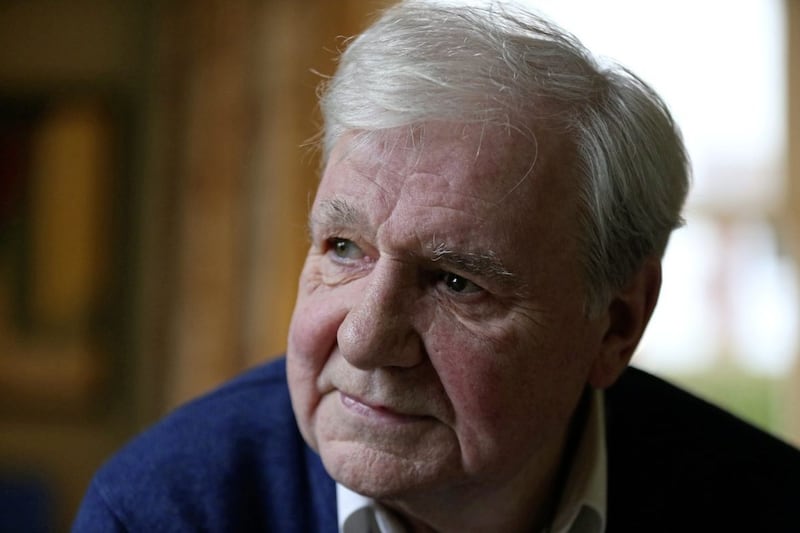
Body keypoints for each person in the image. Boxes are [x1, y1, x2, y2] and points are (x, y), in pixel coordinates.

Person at [73, 1, 800, 531]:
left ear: (616, 323)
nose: (363, 338)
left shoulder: (761, 504)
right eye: (344, 248)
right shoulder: (165, 508)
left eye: (456, 281)